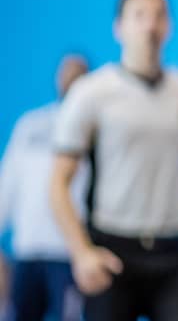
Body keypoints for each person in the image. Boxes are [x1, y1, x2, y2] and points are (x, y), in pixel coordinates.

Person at [49, 0, 178, 321]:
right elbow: (58, 183)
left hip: (171, 251)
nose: (150, 24)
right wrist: (81, 253)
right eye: (139, 15)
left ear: (169, 26)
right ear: (119, 27)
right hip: (112, 251)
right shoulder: (91, 93)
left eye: (159, 15)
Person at [0, 54, 88, 321]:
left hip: (69, 253)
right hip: (27, 249)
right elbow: (8, 183)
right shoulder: (30, 125)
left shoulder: (94, 129)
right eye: (67, 72)